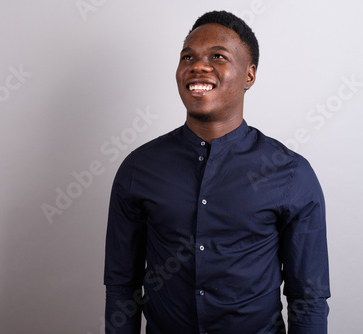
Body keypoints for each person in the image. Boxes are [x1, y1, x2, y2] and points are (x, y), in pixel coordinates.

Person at [104, 10, 330, 334]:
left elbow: (308, 298)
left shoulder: (291, 174)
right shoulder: (138, 169)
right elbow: (122, 287)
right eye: (188, 57)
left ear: (249, 76)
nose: (198, 65)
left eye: (217, 56)